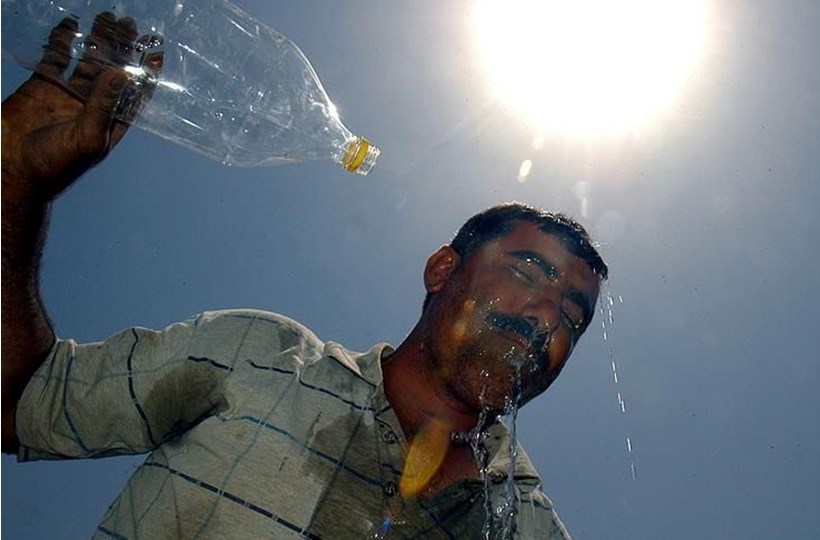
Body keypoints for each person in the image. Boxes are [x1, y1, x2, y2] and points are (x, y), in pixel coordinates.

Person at [2, 14, 608, 539]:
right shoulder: (254, 359)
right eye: (528, 270)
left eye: (572, 316)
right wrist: (13, 177)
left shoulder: (525, 525)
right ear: (442, 269)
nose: (546, 316)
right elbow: (21, 402)